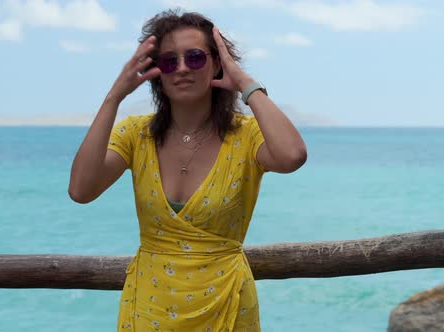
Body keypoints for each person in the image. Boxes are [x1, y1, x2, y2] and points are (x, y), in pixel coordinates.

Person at [68, 9, 307, 331]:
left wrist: (246, 84)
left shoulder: (246, 136)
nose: (181, 69)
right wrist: (114, 96)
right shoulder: (136, 135)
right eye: (168, 61)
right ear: (156, 71)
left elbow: (292, 156)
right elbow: (81, 190)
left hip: (224, 302)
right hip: (149, 307)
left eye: (194, 57)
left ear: (216, 62)